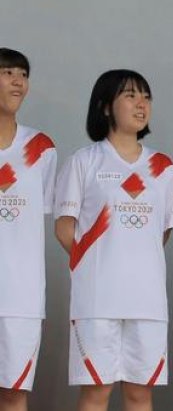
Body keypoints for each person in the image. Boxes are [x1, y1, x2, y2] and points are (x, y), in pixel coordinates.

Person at [54, 70, 173, 410]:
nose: (141, 104)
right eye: (131, 96)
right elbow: (65, 227)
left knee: (140, 393)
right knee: (96, 392)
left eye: (146, 97)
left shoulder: (163, 168)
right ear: (106, 107)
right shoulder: (84, 162)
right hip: (97, 300)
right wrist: (96, 262)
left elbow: (162, 230)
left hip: (148, 300)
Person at [0, 49, 57, 411]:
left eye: (23, 73)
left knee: (14, 394)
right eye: (7, 73)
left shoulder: (41, 149)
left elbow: (46, 215)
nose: (18, 81)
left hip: (20, 295)